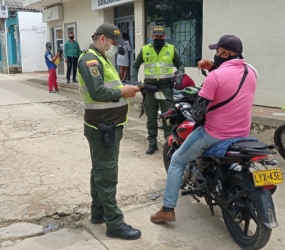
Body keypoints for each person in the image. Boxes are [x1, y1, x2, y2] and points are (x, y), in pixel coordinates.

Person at [150, 35, 257, 222]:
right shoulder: (251, 71)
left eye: (217, 51)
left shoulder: (215, 77)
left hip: (215, 134)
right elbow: (232, 82)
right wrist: (214, 67)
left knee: (176, 160)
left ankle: (167, 209)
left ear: (224, 53)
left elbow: (198, 112)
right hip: (242, 132)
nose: (214, 54)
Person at [77, 23, 141, 240]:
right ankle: (114, 224)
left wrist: (123, 88)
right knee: (107, 175)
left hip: (107, 124)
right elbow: (97, 92)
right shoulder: (90, 59)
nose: (116, 47)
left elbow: (106, 86)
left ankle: (98, 213)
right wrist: (122, 91)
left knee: (99, 171)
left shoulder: (101, 58)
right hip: (103, 127)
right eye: (114, 43)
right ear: (102, 39)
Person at [131, 25, 185, 155]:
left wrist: (180, 73)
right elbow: (135, 65)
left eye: (160, 36)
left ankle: (169, 143)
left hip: (166, 88)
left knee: (168, 117)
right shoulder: (145, 49)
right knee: (151, 117)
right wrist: (134, 80)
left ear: (164, 36)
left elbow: (180, 64)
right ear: (152, 36)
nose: (158, 38)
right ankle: (152, 144)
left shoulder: (171, 49)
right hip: (150, 89)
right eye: (156, 36)